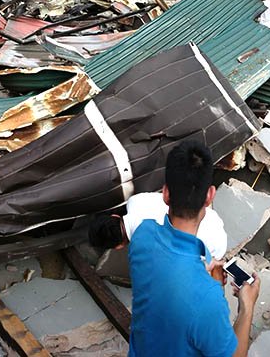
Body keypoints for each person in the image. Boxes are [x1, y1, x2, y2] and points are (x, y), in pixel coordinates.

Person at [128, 140, 260, 357]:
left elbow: (167, 280)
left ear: (166, 194)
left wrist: (205, 278)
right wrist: (247, 306)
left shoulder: (143, 234)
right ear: (209, 196)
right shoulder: (207, 299)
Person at [88, 191, 227, 259]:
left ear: (119, 246)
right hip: (211, 218)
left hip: (215, 251)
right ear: (114, 215)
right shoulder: (135, 201)